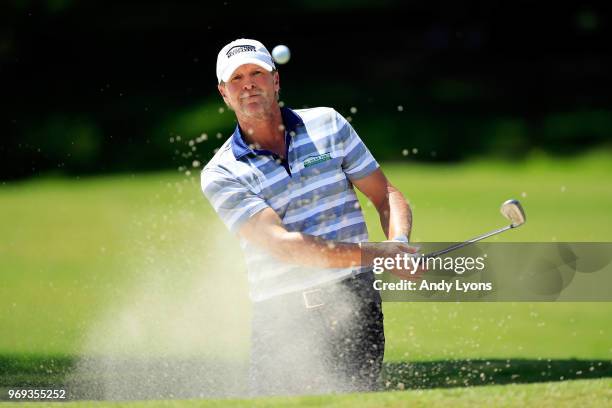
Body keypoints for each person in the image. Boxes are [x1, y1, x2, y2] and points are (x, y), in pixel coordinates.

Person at [201, 38, 415, 396]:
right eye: (236, 78)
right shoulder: (221, 172)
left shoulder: (328, 124)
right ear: (224, 92)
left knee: (355, 399)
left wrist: (399, 243)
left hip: (355, 299)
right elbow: (285, 248)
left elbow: (386, 195)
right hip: (282, 313)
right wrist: (378, 254)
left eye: (257, 73)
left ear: (276, 80)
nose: (248, 83)